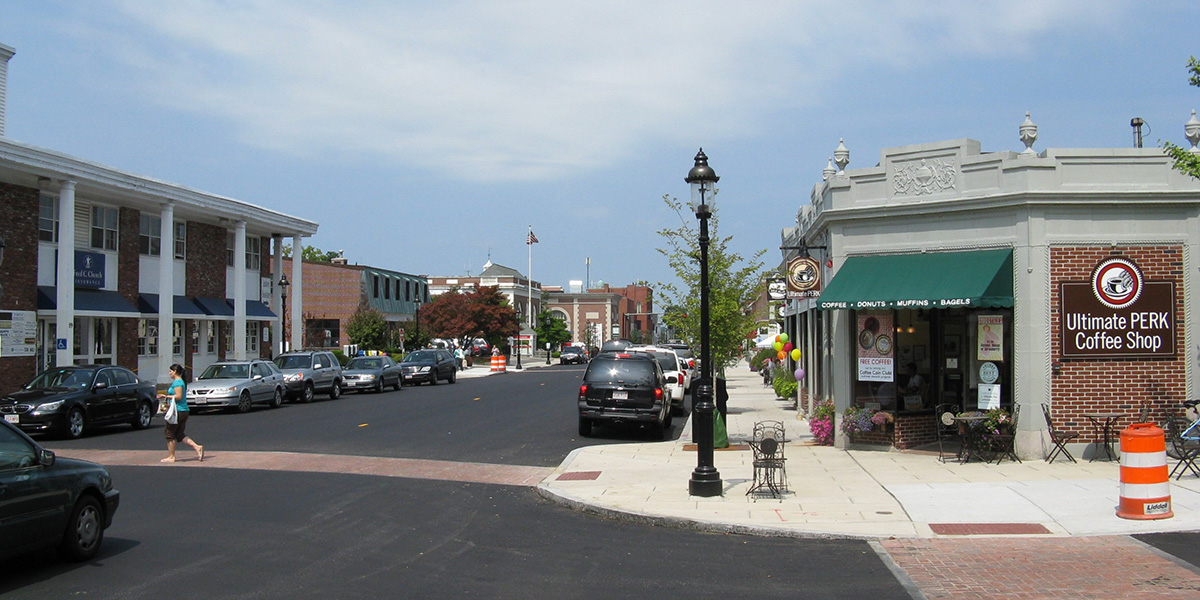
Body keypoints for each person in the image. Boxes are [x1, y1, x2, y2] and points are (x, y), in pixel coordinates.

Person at [158, 363, 203, 463]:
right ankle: (197, 447)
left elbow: (178, 396)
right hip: (182, 411)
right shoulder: (179, 382)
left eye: (170, 371)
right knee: (179, 434)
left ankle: (171, 456)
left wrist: (165, 396)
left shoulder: (178, 382)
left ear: (175, 372)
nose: (169, 373)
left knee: (170, 433)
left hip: (178, 411)